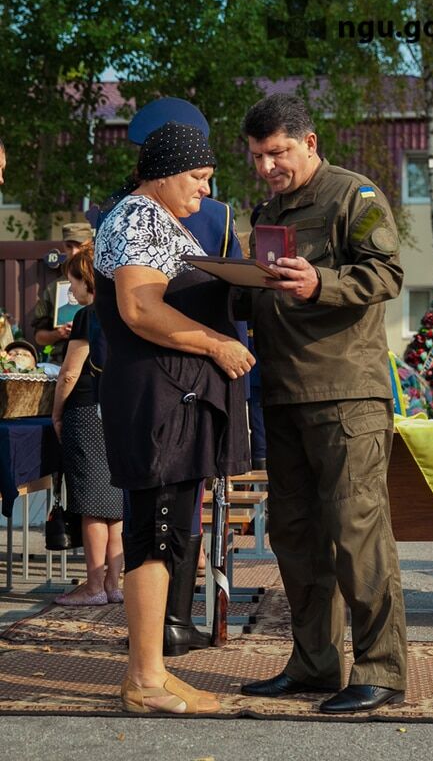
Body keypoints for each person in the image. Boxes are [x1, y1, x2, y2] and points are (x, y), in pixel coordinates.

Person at [237, 93, 407, 714]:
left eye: (276, 153)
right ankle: (314, 663)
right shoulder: (265, 210)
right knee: (295, 535)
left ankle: (382, 670)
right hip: (282, 394)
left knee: (355, 533)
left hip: (346, 395)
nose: (266, 167)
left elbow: (387, 274)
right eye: (257, 156)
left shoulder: (353, 196)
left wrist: (321, 282)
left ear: (308, 143)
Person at [94, 121, 254, 715]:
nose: (204, 194)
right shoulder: (138, 217)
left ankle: (153, 670)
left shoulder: (152, 216)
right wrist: (215, 343)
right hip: (158, 399)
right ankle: (142, 680)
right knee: (153, 534)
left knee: (165, 532)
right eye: (197, 179)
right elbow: (138, 307)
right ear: (161, 174)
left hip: (169, 396)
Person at [51, 246, 124, 606]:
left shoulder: (87, 315)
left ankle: (94, 586)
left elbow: (69, 374)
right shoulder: (122, 308)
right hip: (117, 408)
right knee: (115, 504)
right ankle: (113, 583)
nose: (72, 291)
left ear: (86, 279)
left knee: (92, 505)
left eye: (73, 283)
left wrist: (56, 412)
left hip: (86, 408)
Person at [32, 223, 93, 363]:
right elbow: (39, 337)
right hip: (61, 360)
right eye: (69, 246)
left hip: (97, 359)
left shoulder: (106, 281)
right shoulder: (53, 288)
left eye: (80, 246)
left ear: (91, 244)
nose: (74, 252)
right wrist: (58, 333)